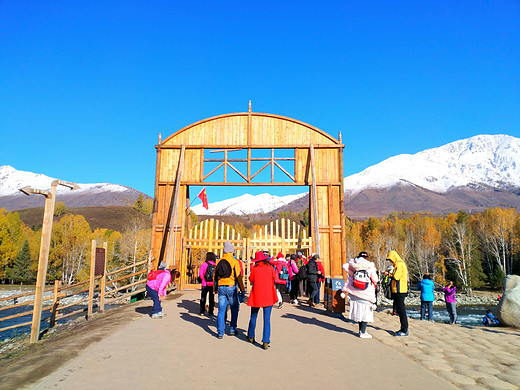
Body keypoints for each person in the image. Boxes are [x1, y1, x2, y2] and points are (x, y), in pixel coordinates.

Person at [341, 251, 378, 338]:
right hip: (366, 293)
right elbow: (375, 280)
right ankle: (363, 332)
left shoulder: (353, 267)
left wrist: (352, 262)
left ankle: (360, 330)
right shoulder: (370, 267)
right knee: (366, 313)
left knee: (359, 312)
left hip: (354, 293)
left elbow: (345, 266)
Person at [246, 251, 278, 350]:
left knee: (254, 316)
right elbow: (275, 278)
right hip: (268, 295)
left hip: (257, 295)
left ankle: (251, 336)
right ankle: (265, 341)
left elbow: (251, 280)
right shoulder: (270, 268)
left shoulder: (254, 269)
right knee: (267, 319)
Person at [214, 241, 245, 339]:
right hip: (231, 287)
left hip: (221, 287)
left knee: (221, 310)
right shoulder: (234, 261)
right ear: (231, 251)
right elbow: (239, 277)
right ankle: (232, 328)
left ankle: (220, 332)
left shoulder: (219, 261)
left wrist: (215, 288)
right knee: (235, 307)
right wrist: (242, 289)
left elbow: (215, 276)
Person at [384, 250, 409, 336]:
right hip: (398, 290)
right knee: (400, 310)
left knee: (401, 310)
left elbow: (396, 277)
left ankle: (404, 330)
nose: (390, 261)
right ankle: (403, 329)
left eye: (390, 259)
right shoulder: (398, 264)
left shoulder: (399, 264)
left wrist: (389, 274)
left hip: (400, 290)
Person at [199, 252, 216, 316]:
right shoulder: (215, 264)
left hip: (205, 283)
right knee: (211, 298)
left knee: (203, 297)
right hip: (212, 284)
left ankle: (202, 311)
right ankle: (211, 312)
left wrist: (203, 278)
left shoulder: (204, 264)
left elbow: (200, 273)